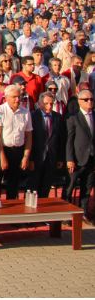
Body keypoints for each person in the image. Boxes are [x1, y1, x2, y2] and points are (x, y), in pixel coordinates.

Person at [0, 84, 33, 200]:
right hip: (2, 150)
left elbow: (29, 136)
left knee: (14, 185)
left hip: (18, 151)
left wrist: (25, 156)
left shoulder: (25, 112)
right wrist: (2, 157)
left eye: (19, 96)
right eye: (14, 97)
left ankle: (12, 212)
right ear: (6, 98)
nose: (17, 99)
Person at [65, 89, 94, 222]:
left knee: (87, 189)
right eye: (86, 100)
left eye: (91, 99)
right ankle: (66, 215)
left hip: (91, 159)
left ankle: (83, 213)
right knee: (69, 188)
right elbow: (69, 140)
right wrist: (69, 159)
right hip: (77, 159)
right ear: (79, 101)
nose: (90, 102)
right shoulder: (73, 118)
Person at [30, 92, 65, 198]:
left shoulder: (57, 117)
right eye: (46, 103)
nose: (49, 106)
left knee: (46, 187)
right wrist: (30, 159)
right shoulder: (32, 116)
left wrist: (60, 158)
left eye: (51, 103)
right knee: (33, 187)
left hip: (51, 158)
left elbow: (61, 139)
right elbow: (29, 139)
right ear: (40, 103)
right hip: (36, 158)